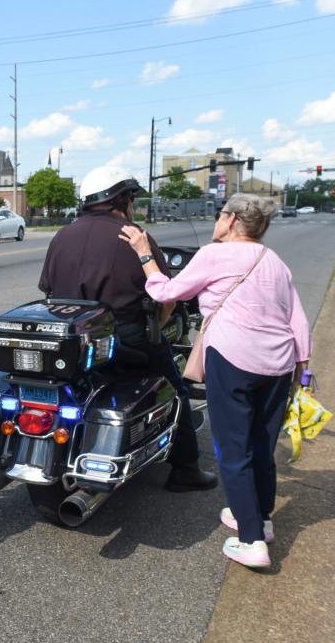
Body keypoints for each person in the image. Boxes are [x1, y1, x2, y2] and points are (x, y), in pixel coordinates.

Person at [120, 194, 311, 569]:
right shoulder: (273, 260)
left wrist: (145, 252)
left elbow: (165, 292)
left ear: (233, 219)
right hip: (279, 364)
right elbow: (297, 318)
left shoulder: (213, 255)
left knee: (233, 450)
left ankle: (252, 541)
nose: (216, 220)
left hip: (234, 360)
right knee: (261, 443)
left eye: (221, 214)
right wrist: (302, 371)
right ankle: (260, 518)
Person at [38, 166, 218, 492]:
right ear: (120, 198)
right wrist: (158, 328)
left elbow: (48, 291)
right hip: (126, 340)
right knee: (175, 388)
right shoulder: (133, 235)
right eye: (131, 197)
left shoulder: (62, 235)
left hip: (73, 342)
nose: (132, 203)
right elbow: (167, 299)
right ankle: (186, 469)